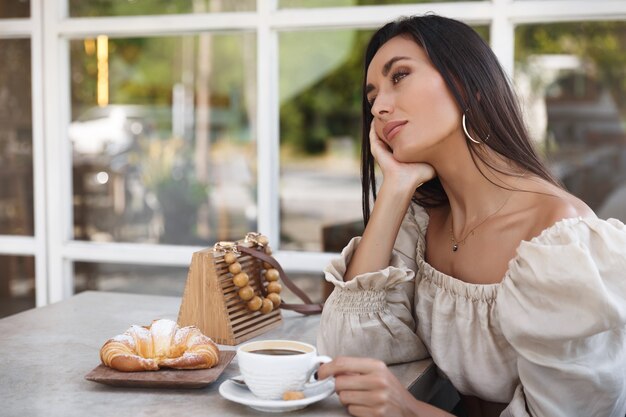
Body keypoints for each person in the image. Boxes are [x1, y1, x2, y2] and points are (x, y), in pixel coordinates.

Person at [316, 14, 626, 417]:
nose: (379, 107)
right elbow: (347, 350)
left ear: (466, 83)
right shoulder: (423, 223)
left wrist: (408, 410)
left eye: (400, 76)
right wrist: (394, 187)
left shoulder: (557, 237)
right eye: (372, 96)